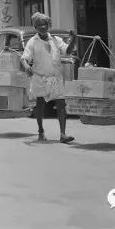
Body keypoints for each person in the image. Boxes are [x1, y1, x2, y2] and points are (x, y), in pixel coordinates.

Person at [21, 12, 77, 143]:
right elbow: (24, 58)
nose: (42, 27)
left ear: (48, 25)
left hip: (55, 78)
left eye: (44, 24)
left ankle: (63, 134)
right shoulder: (32, 42)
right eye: (39, 25)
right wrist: (27, 66)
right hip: (40, 78)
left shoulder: (56, 40)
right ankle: (40, 130)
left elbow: (68, 51)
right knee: (40, 104)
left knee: (61, 104)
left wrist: (74, 39)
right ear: (35, 27)